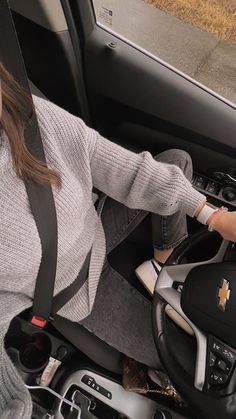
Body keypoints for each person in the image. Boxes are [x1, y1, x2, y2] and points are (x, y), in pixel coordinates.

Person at [0, 62, 236, 418]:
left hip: (93, 224)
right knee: (192, 369)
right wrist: (15, 405)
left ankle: (162, 260)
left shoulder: (23, 112)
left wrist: (214, 216)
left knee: (177, 164)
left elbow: (117, 165)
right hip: (76, 291)